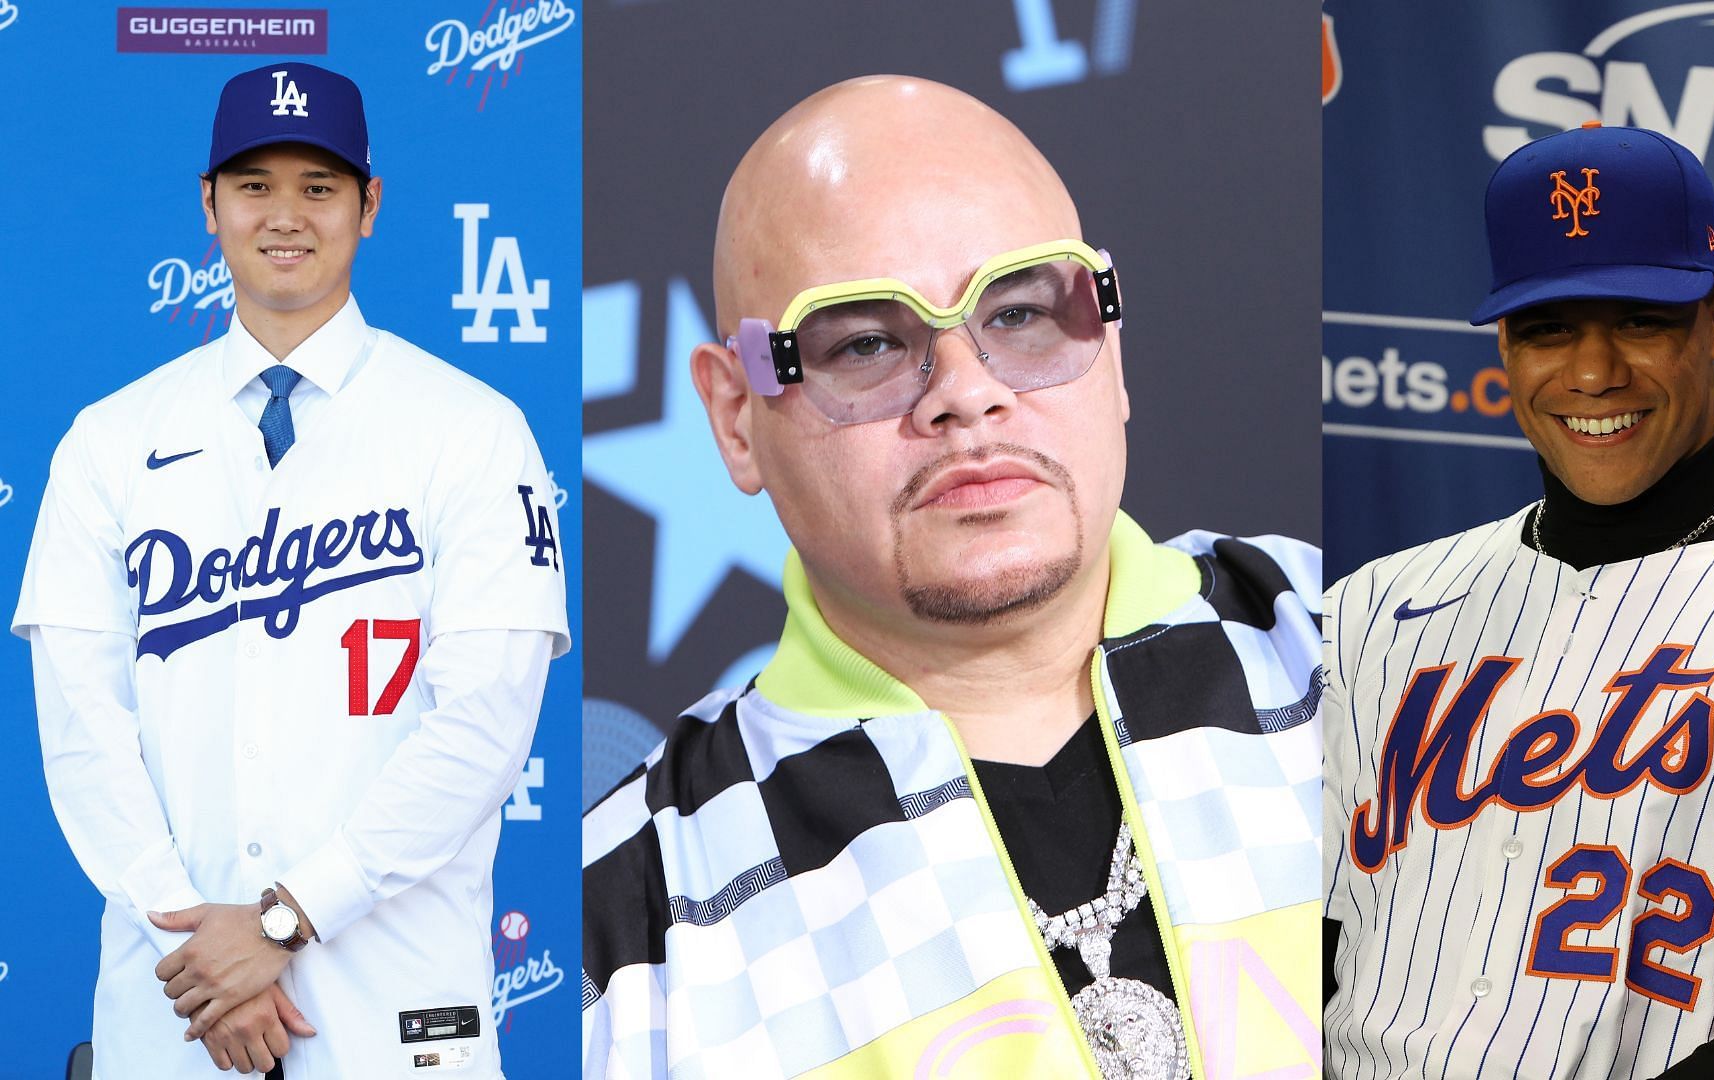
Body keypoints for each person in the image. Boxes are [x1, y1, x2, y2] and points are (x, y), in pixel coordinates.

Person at [581, 76, 1323, 1079]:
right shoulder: (622, 920)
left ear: (1111, 345)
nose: (968, 393)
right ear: (734, 418)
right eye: (870, 342)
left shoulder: (1378, 653)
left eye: (1020, 313)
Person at [1321, 123, 1714, 1078]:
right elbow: (1288, 966)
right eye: (1549, 329)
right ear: (1506, 345)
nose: (1593, 374)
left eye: (1639, 320)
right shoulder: (1369, 612)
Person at [13, 62, 568, 1078]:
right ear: (209, 205)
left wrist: (284, 918)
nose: (286, 215)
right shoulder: (108, 440)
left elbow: (484, 723)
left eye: (318, 187)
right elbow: (83, 733)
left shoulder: (473, 431)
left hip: (392, 1005)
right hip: (174, 1005)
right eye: (254, 184)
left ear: (369, 206)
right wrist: (200, 946)